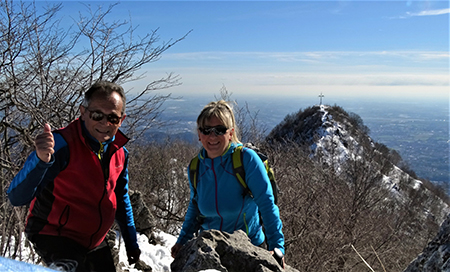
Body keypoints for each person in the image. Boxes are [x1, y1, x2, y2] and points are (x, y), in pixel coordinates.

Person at [7, 81, 141, 271]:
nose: (105, 123)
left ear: (122, 119)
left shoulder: (119, 151)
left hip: (93, 240)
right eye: (97, 115)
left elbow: (120, 196)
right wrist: (40, 160)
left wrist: (131, 241)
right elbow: (16, 197)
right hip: (54, 234)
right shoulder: (61, 145)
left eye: (113, 118)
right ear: (83, 112)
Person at [171, 100, 285, 268]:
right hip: (209, 251)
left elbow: (267, 204)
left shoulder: (246, 160)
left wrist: (277, 246)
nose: (212, 136)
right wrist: (182, 241)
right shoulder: (196, 167)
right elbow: (194, 207)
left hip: (247, 250)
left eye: (220, 130)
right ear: (199, 134)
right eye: (206, 130)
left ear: (230, 133)